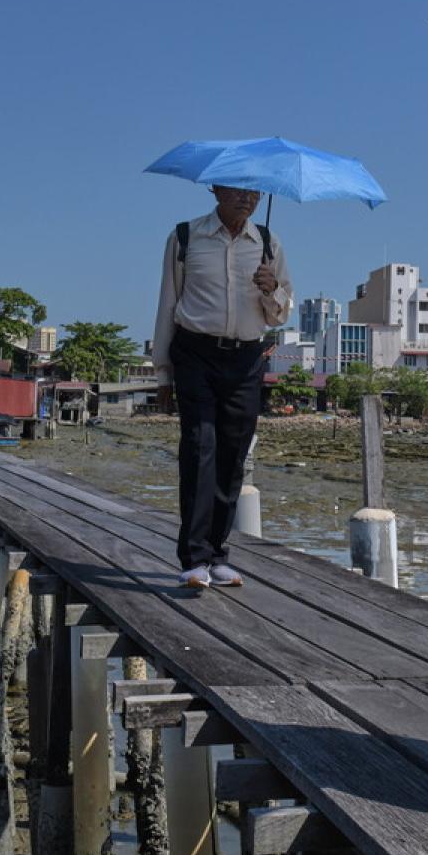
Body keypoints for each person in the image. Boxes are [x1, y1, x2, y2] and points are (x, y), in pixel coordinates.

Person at [153, 185, 293, 589]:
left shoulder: (269, 243)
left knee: (234, 454)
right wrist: (163, 373)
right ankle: (194, 558)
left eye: (255, 192)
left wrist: (272, 288)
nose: (247, 199)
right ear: (216, 189)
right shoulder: (186, 237)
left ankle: (218, 554)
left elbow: (278, 316)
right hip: (194, 351)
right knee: (200, 446)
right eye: (238, 190)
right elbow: (167, 304)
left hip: (247, 357)